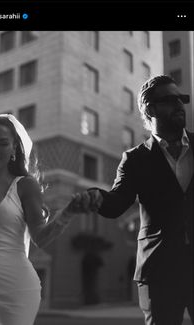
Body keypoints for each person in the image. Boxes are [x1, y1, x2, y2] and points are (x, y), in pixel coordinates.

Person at [77, 75, 194, 325]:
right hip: (160, 270)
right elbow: (118, 202)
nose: (179, 105)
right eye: (170, 100)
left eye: (180, 100)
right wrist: (97, 197)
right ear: (150, 109)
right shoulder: (135, 159)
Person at [0, 114, 84, 325]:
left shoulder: (25, 186)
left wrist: (68, 212)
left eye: (3, 143)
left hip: (15, 293)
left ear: (14, 149)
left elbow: (40, 238)